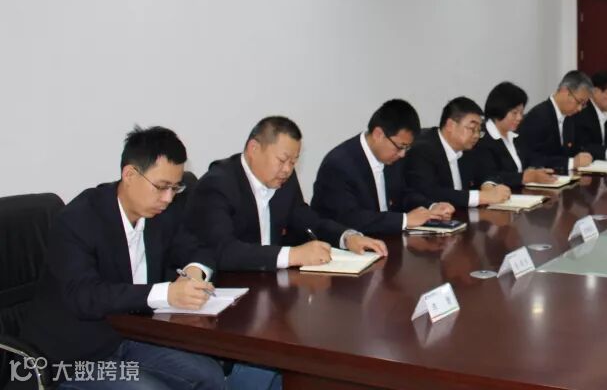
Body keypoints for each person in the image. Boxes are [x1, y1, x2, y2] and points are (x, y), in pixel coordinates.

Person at [19, 126, 226, 390]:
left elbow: (199, 248)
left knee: (209, 375)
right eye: (162, 187)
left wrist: (194, 273)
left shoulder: (161, 213)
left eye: (176, 188)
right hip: (71, 357)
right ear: (129, 174)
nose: (168, 198)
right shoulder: (78, 220)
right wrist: (167, 294)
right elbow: (85, 296)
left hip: (129, 337)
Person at [185, 116, 386, 272]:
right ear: (254, 148)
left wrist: (347, 237)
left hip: (271, 285)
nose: (288, 170)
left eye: (293, 162)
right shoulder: (218, 184)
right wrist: (292, 255)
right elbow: (223, 251)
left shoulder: (284, 180)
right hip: (230, 290)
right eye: (282, 160)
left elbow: (308, 221)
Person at [312, 99, 455, 234]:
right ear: (378, 134)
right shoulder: (338, 165)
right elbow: (350, 218)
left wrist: (431, 207)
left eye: (407, 148)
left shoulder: (391, 157)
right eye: (400, 147)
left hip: (387, 239)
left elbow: (402, 194)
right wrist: (404, 220)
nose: (402, 154)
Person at [404, 97, 512, 208]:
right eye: (472, 128)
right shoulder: (422, 150)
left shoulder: (469, 147)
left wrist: (488, 186)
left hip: (462, 214)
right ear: (450, 125)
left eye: (479, 130)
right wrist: (481, 197)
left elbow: (487, 171)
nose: (476, 135)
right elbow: (430, 192)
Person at [475, 82, 560, 188]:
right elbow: (488, 176)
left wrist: (537, 170)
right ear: (499, 110)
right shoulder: (482, 139)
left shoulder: (515, 134)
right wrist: (525, 177)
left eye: (521, 112)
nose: (520, 118)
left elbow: (530, 159)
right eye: (514, 113)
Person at [517, 71, 597, 172]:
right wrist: (571, 163)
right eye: (579, 102)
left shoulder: (570, 117)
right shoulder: (539, 116)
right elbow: (531, 159)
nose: (580, 108)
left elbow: (574, 149)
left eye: (584, 104)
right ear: (565, 91)